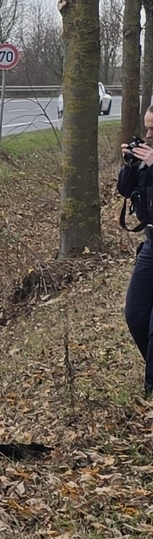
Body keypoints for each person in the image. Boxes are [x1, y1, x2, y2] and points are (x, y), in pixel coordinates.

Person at [119, 104, 153, 395]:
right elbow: (125, 190)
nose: (148, 134)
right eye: (147, 128)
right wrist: (130, 165)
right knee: (136, 314)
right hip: (151, 245)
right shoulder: (145, 157)